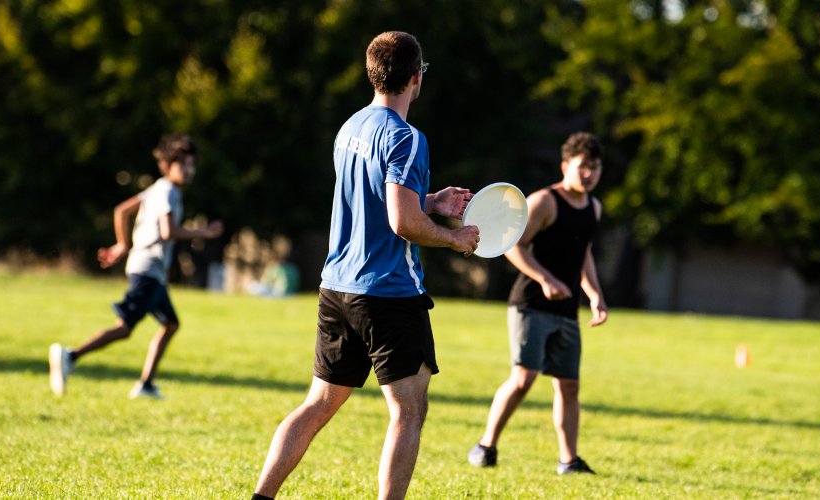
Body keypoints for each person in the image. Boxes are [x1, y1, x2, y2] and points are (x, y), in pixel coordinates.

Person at [252, 31, 479, 500]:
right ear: (417, 78)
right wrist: (454, 238)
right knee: (408, 412)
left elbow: (375, 202)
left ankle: (260, 497)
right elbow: (401, 223)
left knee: (316, 405)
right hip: (390, 294)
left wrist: (432, 201)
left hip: (337, 287)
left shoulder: (351, 127)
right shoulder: (408, 139)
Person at [468, 131, 608, 475]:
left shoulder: (594, 207)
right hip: (530, 304)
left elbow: (584, 253)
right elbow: (513, 245)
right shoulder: (545, 202)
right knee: (523, 378)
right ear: (565, 166)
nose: (588, 173)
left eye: (595, 167)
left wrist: (595, 296)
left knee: (569, 385)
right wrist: (545, 279)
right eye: (582, 166)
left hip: (566, 309)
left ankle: (569, 460)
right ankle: (486, 445)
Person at [48, 134, 225, 400]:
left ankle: (146, 384)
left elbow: (121, 211)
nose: (189, 170)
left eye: (191, 164)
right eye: (182, 165)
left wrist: (122, 244)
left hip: (147, 269)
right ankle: (70, 356)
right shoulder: (169, 192)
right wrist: (204, 232)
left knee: (171, 323)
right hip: (149, 271)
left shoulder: (154, 189)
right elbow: (168, 231)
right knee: (125, 327)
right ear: (167, 166)